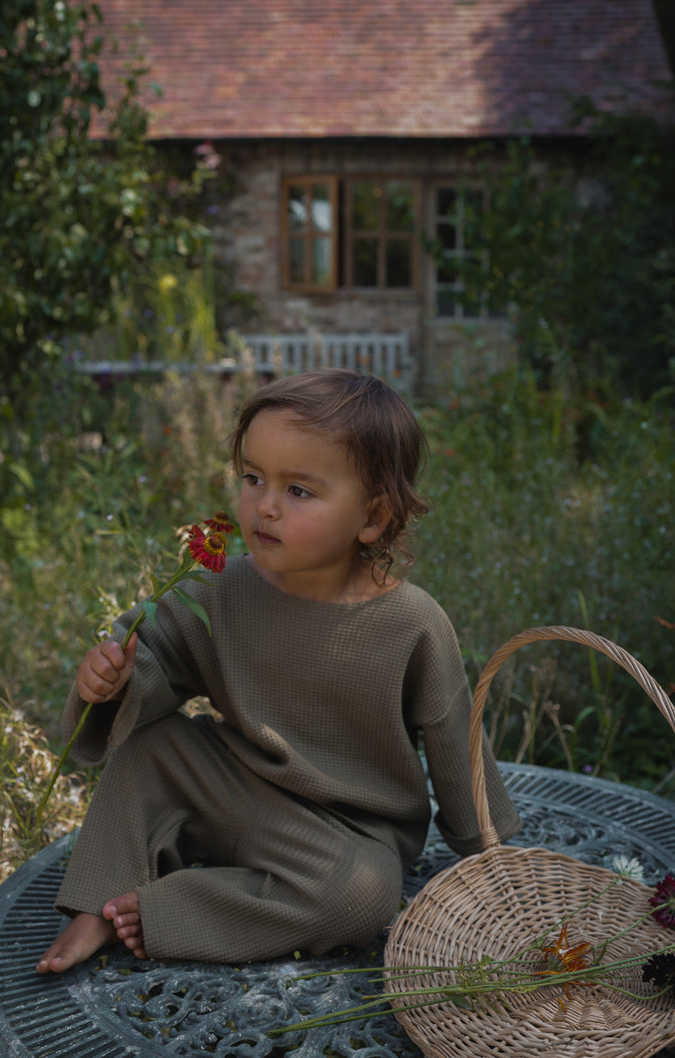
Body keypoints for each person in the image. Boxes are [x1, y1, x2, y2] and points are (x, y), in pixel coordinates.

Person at [37, 369, 519, 973]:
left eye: (299, 491)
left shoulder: (411, 623)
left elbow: (456, 744)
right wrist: (110, 677)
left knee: (364, 896)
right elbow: (149, 650)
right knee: (149, 745)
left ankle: (169, 909)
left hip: (347, 837)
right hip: (234, 789)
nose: (264, 506)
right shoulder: (221, 587)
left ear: (371, 518)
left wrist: (492, 854)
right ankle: (97, 900)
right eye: (254, 477)